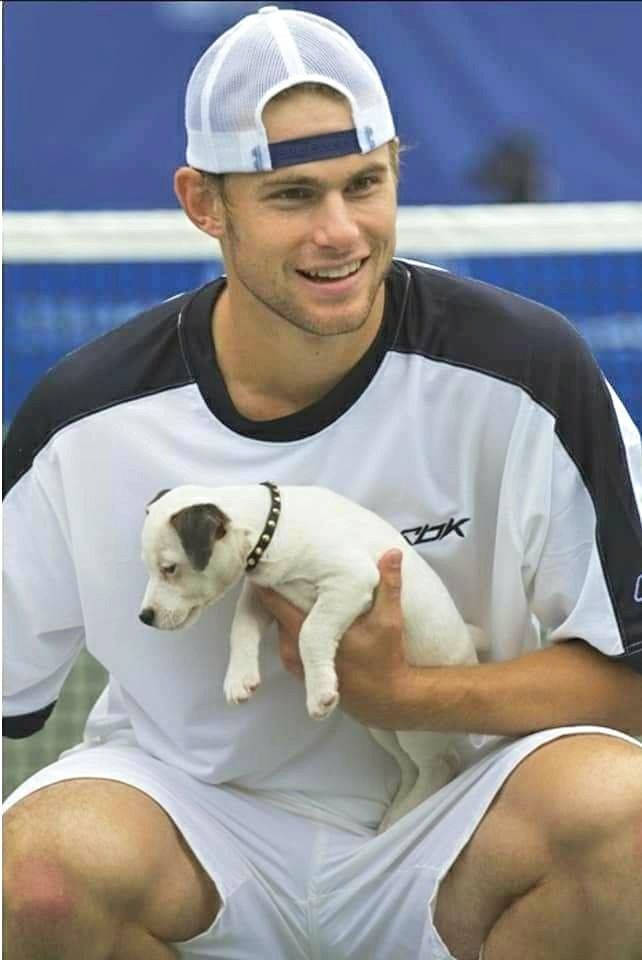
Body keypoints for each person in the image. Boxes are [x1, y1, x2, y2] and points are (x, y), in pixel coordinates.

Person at [3, 6, 642, 959]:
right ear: (201, 201)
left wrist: (409, 695)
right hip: (192, 821)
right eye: (293, 195)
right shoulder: (81, 418)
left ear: (396, 168)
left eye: (365, 183)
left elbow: (631, 688)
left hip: (456, 813)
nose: (340, 233)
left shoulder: (531, 371)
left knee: (628, 818)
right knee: (35, 876)